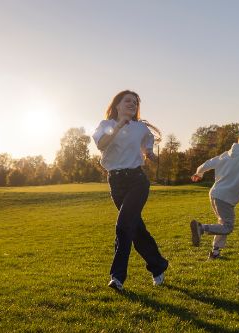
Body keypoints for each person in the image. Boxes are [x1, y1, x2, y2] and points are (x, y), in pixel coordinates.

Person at [92, 90, 168, 291]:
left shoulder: (141, 128)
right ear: (117, 104)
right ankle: (158, 265)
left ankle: (117, 278)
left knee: (124, 225)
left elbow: (147, 147)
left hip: (137, 181)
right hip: (116, 183)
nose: (132, 104)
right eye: (128, 101)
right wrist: (118, 126)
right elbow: (101, 144)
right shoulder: (105, 125)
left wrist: (150, 154)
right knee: (136, 229)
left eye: (135, 102)